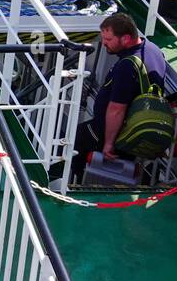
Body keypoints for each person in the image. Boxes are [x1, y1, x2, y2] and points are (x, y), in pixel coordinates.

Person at [71, 12, 168, 183]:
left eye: (108, 40)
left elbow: (117, 109)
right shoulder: (153, 50)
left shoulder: (127, 66)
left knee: (77, 140)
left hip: (115, 133)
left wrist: (108, 144)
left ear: (125, 39)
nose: (104, 44)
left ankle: (74, 187)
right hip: (134, 130)